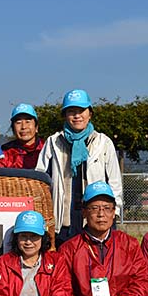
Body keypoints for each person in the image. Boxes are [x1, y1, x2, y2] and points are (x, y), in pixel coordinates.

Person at [36, 89, 122, 248]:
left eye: (81, 111)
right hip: (63, 221)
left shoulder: (103, 142)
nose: (77, 116)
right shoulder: (54, 142)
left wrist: (113, 214)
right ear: (65, 115)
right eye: (71, 111)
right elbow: (40, 180)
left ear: (90, 113)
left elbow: (114, 182)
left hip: (95, 219)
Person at [0, 103, 44, 169]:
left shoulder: (47, 149)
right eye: (18, 122)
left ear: (36, 127)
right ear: (13, 129)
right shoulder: (5, 153)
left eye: (28, 121)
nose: (23, 127)